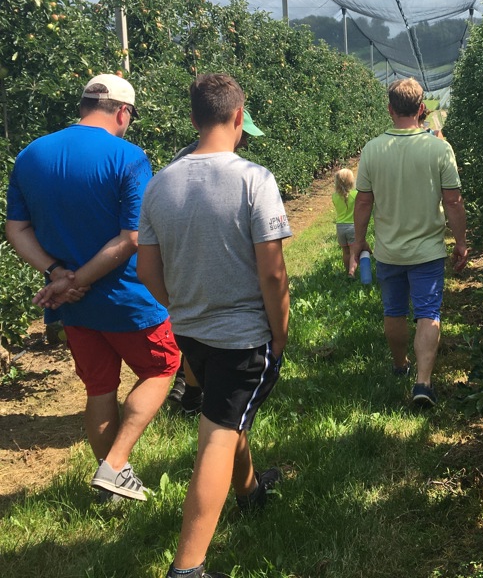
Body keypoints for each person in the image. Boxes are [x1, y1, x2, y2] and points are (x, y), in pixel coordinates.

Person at [137, 73, 291, 578]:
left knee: (227, 411)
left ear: (192, 118)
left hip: (191, 332)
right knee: (218, 435)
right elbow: (271, 271)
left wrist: (182, 305)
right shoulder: (254, 179)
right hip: (244, 336)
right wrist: (280, 329)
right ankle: (188, 567)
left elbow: (147, 271)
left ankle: (248, 492)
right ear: (239, 117)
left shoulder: (160, 183)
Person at [5, 73, 181, 501]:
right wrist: (79, 279)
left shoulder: (31, 154)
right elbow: (131, 238)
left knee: (99, 387)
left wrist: (57, 276)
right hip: (126, 297)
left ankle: (113, 488)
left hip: (72, 306)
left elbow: (16, 228)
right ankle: (116, 464)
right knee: (163, 367)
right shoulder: (129, 157)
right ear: (122, 112)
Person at [349, 77, 468, 406]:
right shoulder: (438, 148)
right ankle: (423, 383)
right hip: (427, 249)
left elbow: (362, 202)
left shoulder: (373, 150)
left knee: (394, 311)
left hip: (389, 250)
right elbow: (454, 201)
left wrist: (359, 242)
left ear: (389, 110)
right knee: (428, 311)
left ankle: (400, 364)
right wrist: (460, 241)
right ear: (421, 109)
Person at [167, 108, 267, 415]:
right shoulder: (247, 177)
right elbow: (272, 270)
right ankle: (192, 391)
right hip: (221, 288)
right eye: (246, 136)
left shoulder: (175, 169)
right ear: (236, 124)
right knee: (224, 416)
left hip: (187, 284)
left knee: (197, 334)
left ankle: (189, 390)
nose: (246, 143)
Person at [332, 168, 358, 275]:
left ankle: (347, 270)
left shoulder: (334, 197)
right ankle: (352, 272)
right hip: (352, 226)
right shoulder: (356, 194)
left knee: (345, 252)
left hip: (340, 227)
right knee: (353, 252)